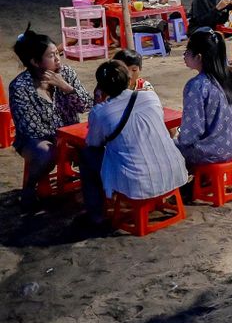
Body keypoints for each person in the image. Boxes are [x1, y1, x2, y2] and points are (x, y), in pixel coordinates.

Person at [77, 61, 187, 230]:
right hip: (175, 172)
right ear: (129, 80)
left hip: (137, 184)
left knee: (86, 154)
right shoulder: (150, 97)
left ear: (101, 87)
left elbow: (93, 143)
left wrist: (98, 103)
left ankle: (96, 215)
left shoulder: (100, 112)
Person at [9, 26, 92, 211]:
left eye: (57, 53)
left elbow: (87, 105)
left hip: (68, 135)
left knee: (95, 146)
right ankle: (29, 188)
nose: (57, 59)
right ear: (35, 62)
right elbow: (31, 128)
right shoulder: (20, 88)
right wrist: (62, 141)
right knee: (46, 153)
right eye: (51, 56)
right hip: (37, 140)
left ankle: (89, 192)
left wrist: (67, 88)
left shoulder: (67, 74)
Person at [175, 29, 232, 168]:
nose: (184, 56)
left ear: (198, 57)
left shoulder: (197, 85)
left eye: (187, 52)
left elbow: (192, 132)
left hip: (214, 152)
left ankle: (193, 184)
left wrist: (179, 139)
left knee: (167, 147)